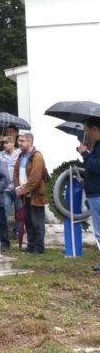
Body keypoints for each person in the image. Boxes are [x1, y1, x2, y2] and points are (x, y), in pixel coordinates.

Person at [14, 130, 46, 254]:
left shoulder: (37, 156)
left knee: (37, 222)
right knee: (28, 222)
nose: (19, 143)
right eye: (18, 140)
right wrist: (17, 187)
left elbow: (35, 177)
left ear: (30, 141)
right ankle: (31, 246)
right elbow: (15, 172)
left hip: (36, 195)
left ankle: (39, 248)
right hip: (24, 195)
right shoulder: (21, 155)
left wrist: (24, 189)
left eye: (22, 141)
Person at [79, 116, 100, 271]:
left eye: (87, 130)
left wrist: (85, 154)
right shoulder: (97, 146)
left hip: (98, 194)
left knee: (99, 231)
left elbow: (97, 167)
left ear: (94, 129)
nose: (87, 134)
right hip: (94, 191)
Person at [0, 135, 21, 239]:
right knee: (3, 211)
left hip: (18, 187)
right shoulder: (0, 156)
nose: (4, 145)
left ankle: (17, 233)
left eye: (7, 143)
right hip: (5, 188)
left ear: (13, 143)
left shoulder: (20, 154)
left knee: (19, 212)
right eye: (3, 143)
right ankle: (2, 233)